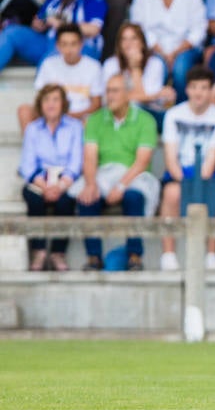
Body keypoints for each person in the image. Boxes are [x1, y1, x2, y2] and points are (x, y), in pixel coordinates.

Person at [68, 74, 161, 271]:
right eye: (108, 91)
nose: (109, 96)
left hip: (134, 174)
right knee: (87, 196)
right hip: (104, 173)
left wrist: (120, 185)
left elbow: (142, 162)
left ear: (128, 94)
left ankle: (135, 255)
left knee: (134, 197)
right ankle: (94, 257)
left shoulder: (145, 120)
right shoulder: (95, 120)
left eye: (115, 91)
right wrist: (91, 184)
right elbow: (90, 157)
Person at [158, 66, 215, 271]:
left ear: (211, 91)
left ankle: (212, 253)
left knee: (213, 193)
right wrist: (184, 181)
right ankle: (169, 254)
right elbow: (171, 157)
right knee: (172, 193)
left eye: (204, 87)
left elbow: (213, 157)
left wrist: (200, 181)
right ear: (187, 89)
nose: (199, 92)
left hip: (208, 172)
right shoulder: (173, 114)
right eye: (194, 87)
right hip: (181, 171)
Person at [0, 0, 106, 71]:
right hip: (49, 42)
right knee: (12, 32)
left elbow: (93, 29)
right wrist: (38, 24)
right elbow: (41, 18)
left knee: (51, 60)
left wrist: (60, 24)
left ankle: (44, 87)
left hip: (79, 48)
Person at [18, 84, 83, 271]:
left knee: (66, 201)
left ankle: (57, 252)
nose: (51, 104)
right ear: (41, 104)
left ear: (63, 103)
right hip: (40, 179)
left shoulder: (75, 127)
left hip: (66, 179)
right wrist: (45, 186)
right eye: (47, 100)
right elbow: (27, 165)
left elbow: (75, 163)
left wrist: (60, 186)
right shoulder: (33, 129)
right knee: (33, 199)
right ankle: (39, 252)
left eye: (55, 99)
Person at [129, 0, 207, 102]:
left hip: (185, 48)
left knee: (180, 69)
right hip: (153, 47)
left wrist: (175, 53)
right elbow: (139, 27)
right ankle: (154, 109)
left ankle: (182, 107)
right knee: (156, 67)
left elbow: (199, 29)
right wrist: (162, 52)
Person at [18, 23, 103, 131]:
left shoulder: (94, 66)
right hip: (52, 115)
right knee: (24, 111)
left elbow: (97, 104)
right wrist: (53, 115)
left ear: (81, 45)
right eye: (64, 44)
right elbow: (40, 98)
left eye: (73, 44)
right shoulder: (48, 64)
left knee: (91, 121)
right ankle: (31, 147)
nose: (69, 49)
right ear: (58, 46)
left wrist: (73, 116)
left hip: (81, 117)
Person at [102, 23, 175, 125]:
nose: (128, 44)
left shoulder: (155, 63)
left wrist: (136, 68)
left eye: (134, 38)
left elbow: (144, 100)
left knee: (135, 107)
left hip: (150, 113)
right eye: (124, 39)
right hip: (117, 113)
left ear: (142, 42)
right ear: (119, 44)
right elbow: (109, 98)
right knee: (132, 105)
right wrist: (155, 95)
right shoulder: (110, 64)